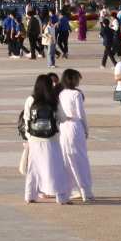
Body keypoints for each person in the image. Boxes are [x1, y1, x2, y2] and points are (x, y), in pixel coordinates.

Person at [19, 74, 69, 204]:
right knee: (56, 168)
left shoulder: (30, 99)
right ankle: (61, 197)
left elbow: (26, 118)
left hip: (34, 139)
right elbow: (62, 118)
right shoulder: (53, 99)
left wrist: (29, 136)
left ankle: (30, 195)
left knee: (33, 169)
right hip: (51, 139)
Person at [56, 68, 92, 202]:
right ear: (72, 79)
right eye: (77, 78)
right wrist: (86, 129)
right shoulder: (76, 94)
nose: (78, 81)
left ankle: (70, 189)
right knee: (81, 158)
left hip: (64, 126)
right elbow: (80, 113)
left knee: (67, 158)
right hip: (75, 126)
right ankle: (85, 190)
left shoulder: (61, 93)